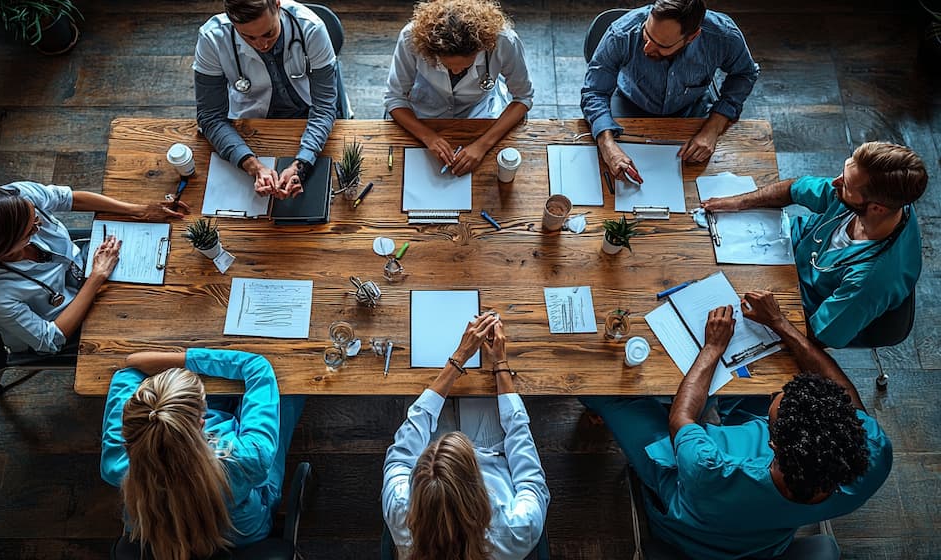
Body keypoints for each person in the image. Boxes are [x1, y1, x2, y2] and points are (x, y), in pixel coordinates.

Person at [581, 291, 892, 559]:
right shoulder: (872, 460)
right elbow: (847, 401)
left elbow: (682, 420)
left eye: (771, 419)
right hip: (763, 540)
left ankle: (599, 410)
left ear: (773, 444)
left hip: (686, 513)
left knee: (612, 391)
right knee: (749, 379)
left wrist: (713, 348)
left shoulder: (712, 468)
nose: (779, 392)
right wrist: (780, 324)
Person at [702, 141, 928, 348]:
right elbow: (795, 189)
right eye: (843, 172)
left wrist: (775, 319)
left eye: (846, 184)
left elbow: (819, 336)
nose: (834, 182)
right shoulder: (876, 200)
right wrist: (739, 202)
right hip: (789, 254)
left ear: (877, 208)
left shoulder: (868, 282)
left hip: (808, 307)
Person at [100, 349, 306, 559]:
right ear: (201, 423)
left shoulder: (117, 463)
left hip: (157, 536)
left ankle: (209, 412)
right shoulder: (244, 458)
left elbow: (129, 371)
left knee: (224, 410)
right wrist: (185, 359)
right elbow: (258, 367)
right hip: (240, 534)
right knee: (285, 389)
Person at [0, 181, 187, 354]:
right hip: (66, 319)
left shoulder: (15, 197)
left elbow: (69, 198)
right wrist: (97, 277)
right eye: (31, 229)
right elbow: (50, 340)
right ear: (4, 248)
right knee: (157, 321)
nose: (39, 223)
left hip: (87, 267)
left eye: (37, 216)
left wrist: (139, 211)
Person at [382, 314, 550, 560]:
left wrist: (458, 359)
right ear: (481, 491)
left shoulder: (400, 507)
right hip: (492, 452)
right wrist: (501, 364)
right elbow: (530, 478)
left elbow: (401, 457)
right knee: (484, 393)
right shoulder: (518, 529)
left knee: (415, 382)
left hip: (456, 451)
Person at [581, 0, 759, 182]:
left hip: (692, 110)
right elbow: (594, 91)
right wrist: (606, 144)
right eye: (646, 34)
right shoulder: (621, 33)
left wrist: (714, 127)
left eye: (662, 45)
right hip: (630, 103)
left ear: (692, 37)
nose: (647, 47)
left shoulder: (723, 36)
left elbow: (744, 74)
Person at [194, 0, 338, 197]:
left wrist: (300, 165)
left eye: (269, 33)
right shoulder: (212, 39)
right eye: (248, 37)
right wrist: (253, 166)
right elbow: (210, 117)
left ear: (277, 5)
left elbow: (323, 107)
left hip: (308, 118)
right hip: (252, 126)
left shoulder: (311, 28)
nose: (261, 45)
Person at [384, 0, 534, 176]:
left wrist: (482, 145)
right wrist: (428, 137)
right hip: (424, 111)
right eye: (447, 66)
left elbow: (523, 98)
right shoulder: (411, 38)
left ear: (481, 49)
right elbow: (394, 98)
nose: (455, 71)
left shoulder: (504, 41)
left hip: (481, 112)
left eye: (464, 67)